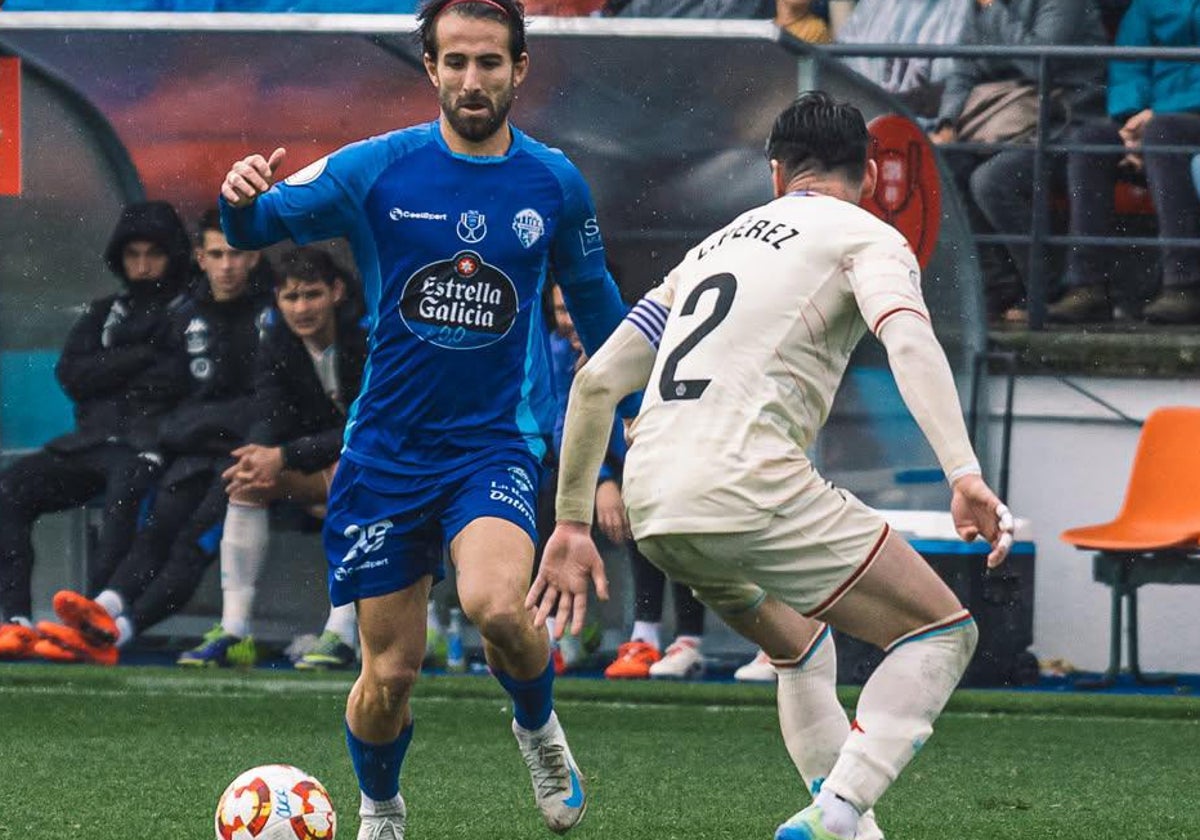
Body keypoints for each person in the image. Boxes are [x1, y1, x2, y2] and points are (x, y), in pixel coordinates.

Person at [530, 92, 1014, 840]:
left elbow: (595, 383)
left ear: (776, 172)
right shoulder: (868, 235)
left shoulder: (710, 249)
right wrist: (963, 471)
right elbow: (910, 342)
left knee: (799, 643)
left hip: (657, 502)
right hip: (750, 486)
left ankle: (847, 821)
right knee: (940, 632)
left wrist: (568, 523)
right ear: (871, 170)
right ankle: (839, 811)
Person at [217, 1, 632, 837]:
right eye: (455, 62)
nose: (471, 80)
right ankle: (381, 806)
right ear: (431, 68)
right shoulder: (377, 168)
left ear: (520, 69)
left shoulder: (554, 183)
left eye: (489, 62)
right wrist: (237, 198)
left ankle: (540, 731)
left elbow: (604, 320)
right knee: (389, 676)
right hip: (383, 454)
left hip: (493, 444)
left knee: (497, 606)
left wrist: (616, 451)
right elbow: (257, 226)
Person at [39, 209, 271, 663]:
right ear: (200, 258)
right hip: (189, 452)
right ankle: (99, 613)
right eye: (217, 254)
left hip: (248, 455)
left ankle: (116, 633)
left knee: (191, 543)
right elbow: (157, 390)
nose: (228, 266)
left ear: (256, 257)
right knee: (155, 532)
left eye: (237, 254)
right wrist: (164, 439)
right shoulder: (183, 316)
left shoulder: (275, 314)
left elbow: (279, 398)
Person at [0, 201, 193, 662]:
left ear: (173, 255)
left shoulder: (191, 309)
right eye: (133, 254)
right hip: (87, 443)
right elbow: (72, 374)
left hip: (150, 445)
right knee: (9, 490)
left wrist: (112, 368)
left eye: (154, 253)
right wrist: (142, 356)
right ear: (119, 258)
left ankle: (86, 625)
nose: (143, 265)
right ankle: (15, 621)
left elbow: (179, 378)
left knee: (125, 495)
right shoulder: (107, 311)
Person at [176, 245, 368, 670]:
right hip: (318, 463)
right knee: (246, 481)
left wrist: (284, 455)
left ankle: (341, 634)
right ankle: (234, 631)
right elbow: (268, 409)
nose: (301, 308)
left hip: (377, 466)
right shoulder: (278, 341)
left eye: (312, 294)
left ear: (336, 292)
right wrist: (259, 455)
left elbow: (366, 428)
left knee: (351, 478)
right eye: (290, 297)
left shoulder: (368, 337)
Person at [546, 282, 709, 680]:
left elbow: (657, 425)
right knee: (545, 489)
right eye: (560, 311)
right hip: (620, 470)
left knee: (655, 495)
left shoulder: (647, 342)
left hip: (679, 463)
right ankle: (557, 632)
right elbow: (562, 425)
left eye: (575, 311)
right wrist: (602, 481)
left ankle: (685, 639)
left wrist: (617, 477)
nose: (569, 324)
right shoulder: (557, 352)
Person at [929, 0, 1107, 321]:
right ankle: (998, 287)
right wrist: (947, 122)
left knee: (992, 180)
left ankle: (1045, 291)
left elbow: (1040, 63)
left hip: (1063, 121)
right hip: (1008, 120)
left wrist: (995, 11)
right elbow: (963, 69)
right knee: (947, 162)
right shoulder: (981, 6)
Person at [1047, 0, 1200, 325]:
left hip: (1181, 117)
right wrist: (1131, 119)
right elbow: (1128, 64)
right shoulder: (1147, 5)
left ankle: (1184, 285)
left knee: (1164, 132)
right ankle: (1086, 285)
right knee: (1090, 140)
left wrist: (1158, 114)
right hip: (1149, 118)